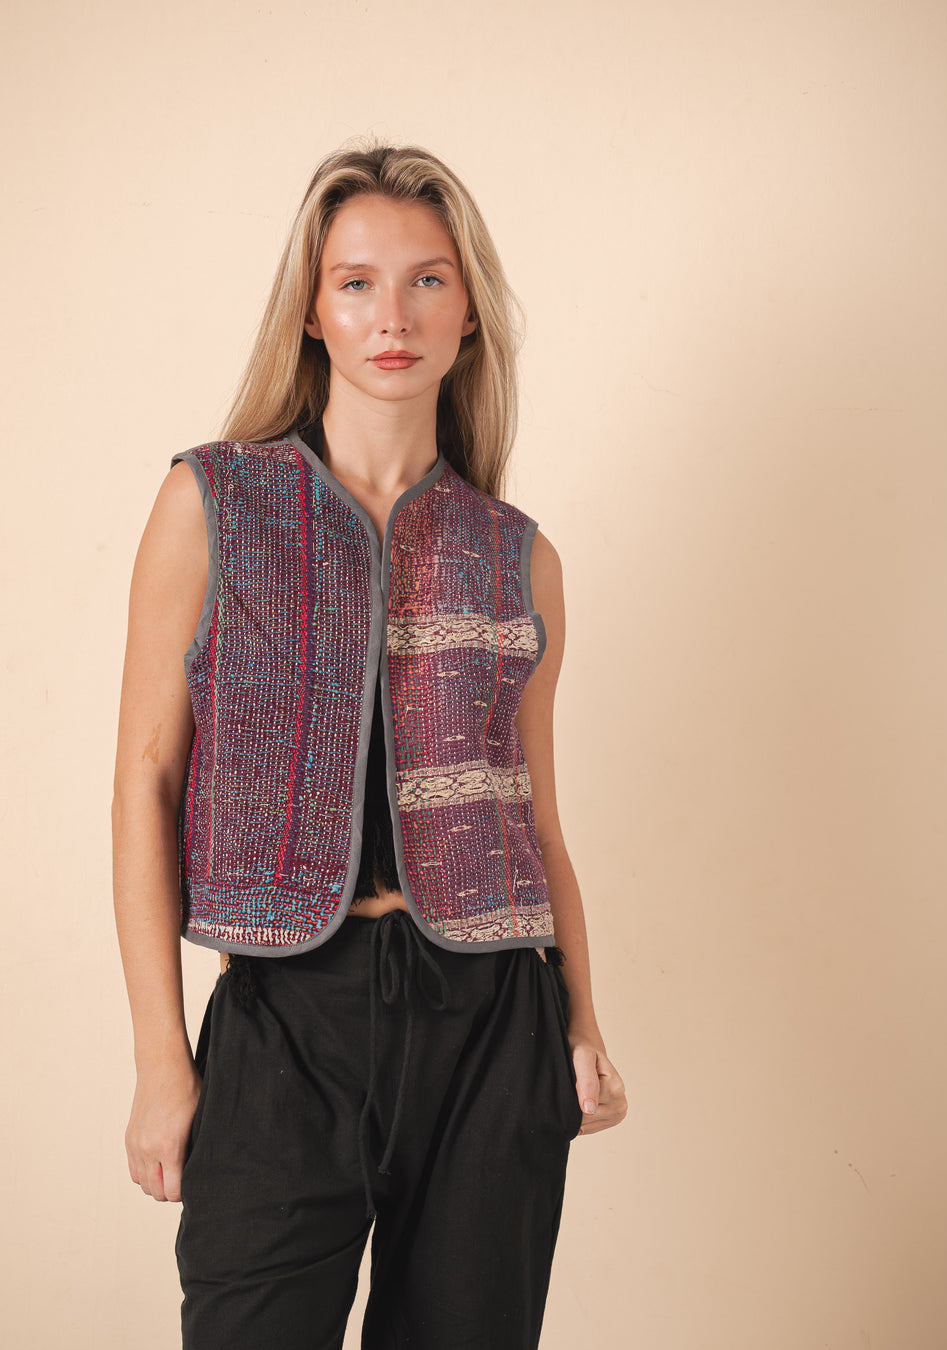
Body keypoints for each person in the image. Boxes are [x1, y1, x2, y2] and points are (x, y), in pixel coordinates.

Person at [111, 136, 627, 1350]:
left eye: (427, 280)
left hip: (495, 1024)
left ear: (469, 311)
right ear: (312, 310)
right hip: (284, 1019)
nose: (392, 315)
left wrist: (582, 1024)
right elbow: (144, 782)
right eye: (356, 282)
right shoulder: (212, 504)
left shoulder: (518, 554)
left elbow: (537, 820)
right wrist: (160, 1060)